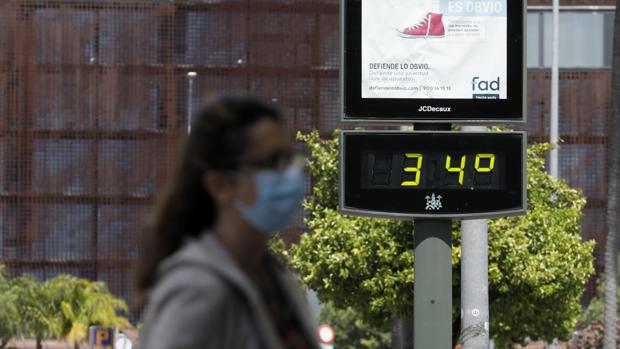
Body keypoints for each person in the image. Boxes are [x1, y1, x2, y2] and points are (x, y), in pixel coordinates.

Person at [135, 96, 318, 349]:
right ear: (220, 185)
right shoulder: (197, 288)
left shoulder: (273, 276)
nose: (289, 174)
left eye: (289, 159)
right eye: (272, 162)